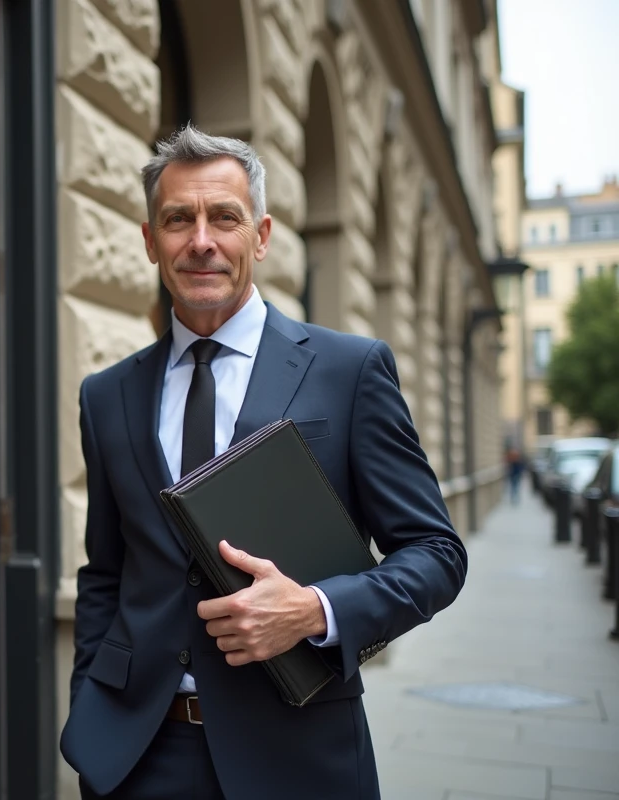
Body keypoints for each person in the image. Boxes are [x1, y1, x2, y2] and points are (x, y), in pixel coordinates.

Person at [58, 125, 468, 799]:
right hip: (136, 755)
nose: (201, 241)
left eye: (225, 217)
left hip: (297, 752)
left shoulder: (349, 371)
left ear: (263, 235)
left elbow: (436, 553)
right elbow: (106, 572)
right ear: (148, 240)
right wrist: (90, 714)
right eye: (177, 220)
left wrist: (315, 609)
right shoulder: (106, 397)